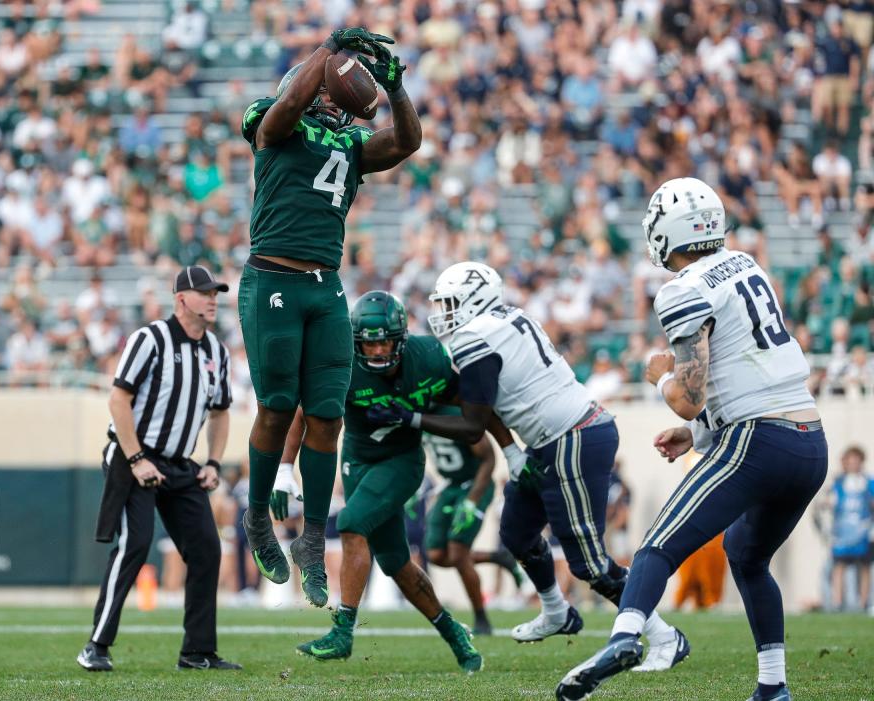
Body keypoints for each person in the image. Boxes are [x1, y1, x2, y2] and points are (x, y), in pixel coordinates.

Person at [556, 178, 827, 701]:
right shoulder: (747, 264)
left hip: (759, 440)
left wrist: (658, 377)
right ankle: (773, 686)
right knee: (746, 554)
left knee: (657, 544)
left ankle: (627, 637)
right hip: (809, 441)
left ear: (667, 231)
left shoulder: (684, 288)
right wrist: (698, 435)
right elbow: (749, 376)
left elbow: (689, 396)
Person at [372, 261, 684, 670]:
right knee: (516, 531)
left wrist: (410, 417)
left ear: (474, 300)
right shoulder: (509, 319)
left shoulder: (473, 337)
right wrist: (513, 451)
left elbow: (470, 424)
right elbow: (486, 402)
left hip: (574, 437)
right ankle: (556, 611)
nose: (443, 311)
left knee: (588, 564)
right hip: (551, 439)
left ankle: (665, 636)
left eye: (450, 303)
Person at [236, 27, 421, 609]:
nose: (328, 98)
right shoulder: (273, 119)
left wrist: (394, 90)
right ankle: (258, 519)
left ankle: (314, 539)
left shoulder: (348, 145)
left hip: (325, 286)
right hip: (273, 279)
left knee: (325, 417)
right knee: (276, 405)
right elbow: (287, 108)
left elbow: (407, 143)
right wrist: (329, 52)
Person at [291, 291, 482, 671]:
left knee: (350, 522)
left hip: (402, 460)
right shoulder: (340, 364)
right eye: (370, 342)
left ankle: (343, 630)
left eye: (385, 341)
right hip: (358, 462)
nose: (378, 351)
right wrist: (283, 469)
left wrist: (507, 444)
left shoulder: (428, 358)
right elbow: (303, 414)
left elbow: (472, 407)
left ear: (401, 338)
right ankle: (455, 635)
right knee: (396, 562)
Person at [77, 265, 239, 673]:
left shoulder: (216, 351)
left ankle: (197, 651)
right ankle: (96, 644)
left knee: (206, 547)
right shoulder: (150, 339)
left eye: (216, 292)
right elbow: (118, 400)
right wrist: (136, 459)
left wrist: (214, 461)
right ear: (181, 298)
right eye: (205, 293)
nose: (213, 299)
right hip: (133, 456)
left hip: (180, 464)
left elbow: (221, 413)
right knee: (136, 543)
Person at [422, 406, 524, 635]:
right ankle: (498, 557)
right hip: (449, 486)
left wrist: (471, 501)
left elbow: (488, 459)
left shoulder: (456, 414)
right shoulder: (418, 413)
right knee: (437, 555)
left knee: (458, 552)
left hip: (475, 484)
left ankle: (481, 617)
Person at [824, 445, 874, 611]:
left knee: (865, 567)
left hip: (863, 532)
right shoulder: (837, 483)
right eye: (849, 460)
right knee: (839, 566)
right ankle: (838, 602)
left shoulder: (868, 483)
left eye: (856, 460)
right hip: (842, 533)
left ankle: (863, 603)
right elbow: (828, 503)